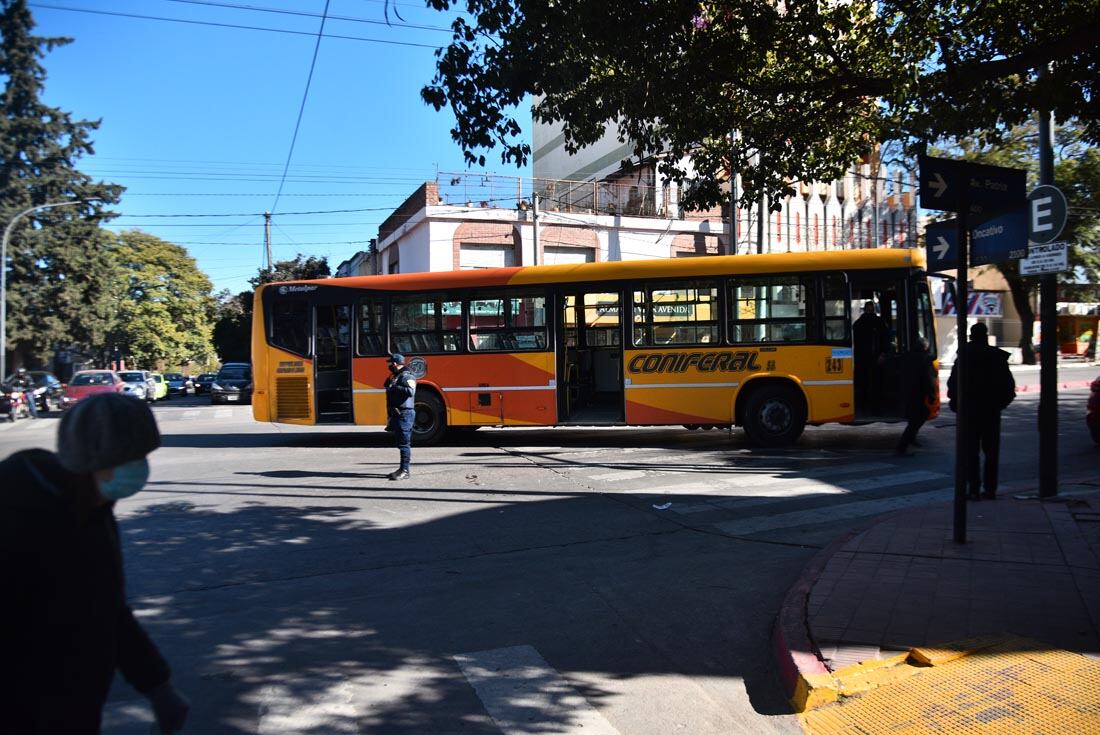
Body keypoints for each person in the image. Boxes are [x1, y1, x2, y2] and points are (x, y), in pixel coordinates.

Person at [0, 392, 190, 733]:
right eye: (134, 456)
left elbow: (106, 609)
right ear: (98, 459)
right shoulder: (18, 517)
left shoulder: (94, 507)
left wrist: (158, 687)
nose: (141, 466)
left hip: (77, 706)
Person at [947, 323, 1016, 500]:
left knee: (971, 452)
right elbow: (1009, 387)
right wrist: (999, 404)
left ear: (971, 336)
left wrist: (956, 404)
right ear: (985, 336)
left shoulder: (963, 356)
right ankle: (990, 489)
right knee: (991, 452)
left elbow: (953, 384)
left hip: (969, 411)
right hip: (991, 411)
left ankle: (974, 489)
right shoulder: (996, 357)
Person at [895, 338, 937, 455]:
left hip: (906, 392)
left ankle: (911, 439)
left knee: (915, 417)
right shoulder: (925, 359)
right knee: (919, 417)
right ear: (925, 347)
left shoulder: (906, 357)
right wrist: (931, 395)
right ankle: (902, 447)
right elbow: (929, 380)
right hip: (918, 393)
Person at [384, 353, 417, 481]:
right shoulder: (396, 376)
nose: (390, 366)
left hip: (405, 414)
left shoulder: (407, 376)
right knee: (400, 443)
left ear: (395, 363)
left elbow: (410, 391)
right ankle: (401, 469)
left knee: (404, 444)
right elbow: (387, 386)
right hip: (397, 413)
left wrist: (395, 386)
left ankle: (405, 471)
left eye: (391, 363)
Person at [853, 301, 889, 412]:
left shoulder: (859, 323)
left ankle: (864, 405)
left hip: (863, 358)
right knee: (876, 383)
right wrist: (883, 353)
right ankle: (875, 407)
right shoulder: (879, 322)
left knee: (864, 383)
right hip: (873, 358)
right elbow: (886, 339)